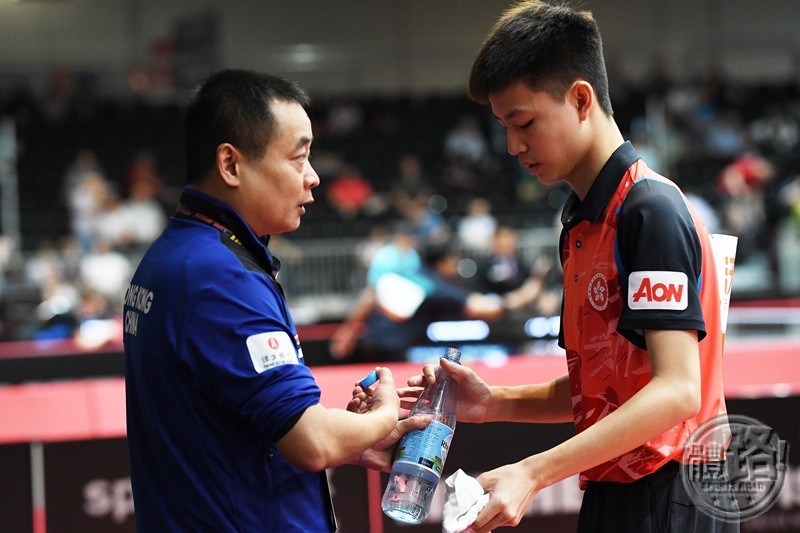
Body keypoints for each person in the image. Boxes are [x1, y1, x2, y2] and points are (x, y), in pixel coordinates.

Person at [406, 3, 735, 532]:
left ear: (581, 99)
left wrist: (533, 472)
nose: (513, 146)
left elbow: (677, 390)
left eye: (524, 123)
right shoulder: (583, 224)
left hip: (675, 494)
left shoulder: (649, 210)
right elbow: (607, 389)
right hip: (617, 491)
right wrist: (494, 404)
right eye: (503, 128)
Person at [123, 69, 428, 531]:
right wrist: (385, 416)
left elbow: (228, 426)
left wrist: (354, 440)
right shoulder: (220, 278)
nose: (314, 177)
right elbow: (312, 444)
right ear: (230, 165)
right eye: (298, 157)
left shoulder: (173, 254)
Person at [330, 237, 504, 363]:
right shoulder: (435, 286)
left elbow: (368, 297)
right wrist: (509, 303)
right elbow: (485, 309)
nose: (456, 266)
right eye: (454, 260)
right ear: (443, 262)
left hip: (373, 344)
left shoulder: (410, 272)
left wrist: (348, 333)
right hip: (396, 352)